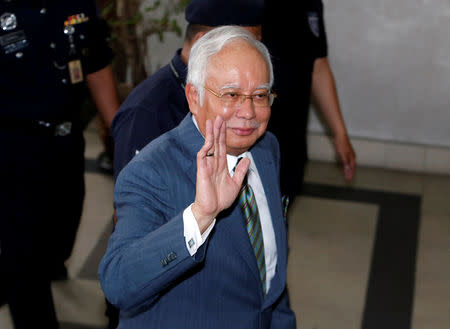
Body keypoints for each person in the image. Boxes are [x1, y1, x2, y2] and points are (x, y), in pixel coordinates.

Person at [99, 26, 297, 328]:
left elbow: (269, 273)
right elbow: (118, 284)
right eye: (231, 95)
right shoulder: (150, 171)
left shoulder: (267, 148)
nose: (248, 112)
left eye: (259, 95)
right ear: (194, 96)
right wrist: (200, 216)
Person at [0, 1, 120, 328]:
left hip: (66, 138)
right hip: (13, 144)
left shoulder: (76, 2)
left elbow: (94, 62)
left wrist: (118, 130)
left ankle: (42, 263)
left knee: (65, 220)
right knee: (22, 252)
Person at [111, 0, 264, 180]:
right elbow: (133, 202)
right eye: (243, 47)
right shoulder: (146, 113)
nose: (256, 57)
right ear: (201, 43)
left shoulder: (252, 102)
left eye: (258, 47)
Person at [262, 0, 356, 203]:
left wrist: (339, 133)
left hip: (291, 142)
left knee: (281, 216)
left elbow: (318, 66)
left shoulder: (311, 4)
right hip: (252, 140)